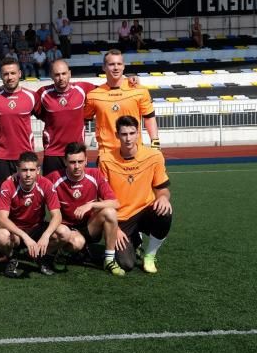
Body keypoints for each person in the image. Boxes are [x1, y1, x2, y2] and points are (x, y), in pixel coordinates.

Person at [98, 116, 173, 274]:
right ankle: (134, 240)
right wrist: (114, 228)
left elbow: (163, 188)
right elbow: (101, 198)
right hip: (121, 218)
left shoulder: (154, 156)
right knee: (126, 264)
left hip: (145, 211)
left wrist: (163, 198)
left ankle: (150, 256)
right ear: (117, 135)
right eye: (124, 134)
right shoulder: (105, 159)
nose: (128, 138)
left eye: (132, 133)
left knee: (165, 211)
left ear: (138, 133)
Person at [45, 142, 124, 276]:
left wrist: (91, 205)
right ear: (65, 161)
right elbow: (35, 187)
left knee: (109, 212)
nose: (77, 166)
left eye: (80, 161)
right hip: (65, 229)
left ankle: (109, 260)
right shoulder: (54, 177)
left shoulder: (95, 175)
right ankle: (61, 254)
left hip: (89, 227)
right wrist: (15, 178)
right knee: (77, 242)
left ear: (86, 160)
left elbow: (115, 203)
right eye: (72, 162)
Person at [0, 151, 63, 278]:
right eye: (24, 170)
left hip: (36, 228)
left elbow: (57, 215)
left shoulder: (46, 184)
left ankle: (42, 257)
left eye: (32, 170)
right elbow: (2, 218)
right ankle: (12, 258)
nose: (28, 174)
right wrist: (25, 237)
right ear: (18, 170)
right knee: (1, 236)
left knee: (64, 233)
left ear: (38, 170)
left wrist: (46, 235)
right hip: (16, 232)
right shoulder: (8, 185)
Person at [84, 49, 159, 154]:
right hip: (107, 155)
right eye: (111, 64)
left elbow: (149, 117)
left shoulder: (139, 90)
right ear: (104, 67)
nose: (116, 68)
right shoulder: (94, 95)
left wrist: (155, 143)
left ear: (123, 66)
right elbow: (83, 121)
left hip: (135, 152)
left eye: (119, 64)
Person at [0, 58, 38, 199]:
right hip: (3, 158)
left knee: (28, 200)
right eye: (6, 74)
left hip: (26, 158)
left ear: (20, 73)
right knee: (4, 202)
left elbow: (47, 118)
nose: (10, 77)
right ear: (1, 76)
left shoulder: (32, 96)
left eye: (13, 73)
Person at [34, 59, 97, 176]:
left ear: (70, 74)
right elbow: (34, 109)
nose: (61, 78)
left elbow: (106, 89)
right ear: (51, 76)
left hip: (76, 154)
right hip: (52, 154)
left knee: (77, 191)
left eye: (64, 73)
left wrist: (127, 81)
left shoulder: (82, 89)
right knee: (50, 191)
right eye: (57, 75)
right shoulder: (43, 93)